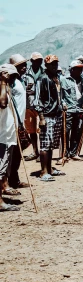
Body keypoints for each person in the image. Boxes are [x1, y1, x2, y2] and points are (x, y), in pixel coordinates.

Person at [32, 55, 65, 182]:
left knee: (51, 144)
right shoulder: (42, 79)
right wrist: (41, 117)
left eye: (56, 63)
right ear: (46, 65)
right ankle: (43, 171)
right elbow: (37, 100)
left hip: (56, 114)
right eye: (52, 64)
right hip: (46, 115)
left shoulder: (56, 78)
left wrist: (62, 105)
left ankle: (49, 169)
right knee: (45, 145)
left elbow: (58, 96)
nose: (54, 66)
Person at [60, 60, 83, 162]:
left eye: (82, 69)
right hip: (68, 110)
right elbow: (59, 94)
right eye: (78, 69)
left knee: (77, 131)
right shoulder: (64, 80)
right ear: (72, 69)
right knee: (65, 132)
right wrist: (63, 103)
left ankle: (74, 153)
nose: (81, 71)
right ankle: (65, 154)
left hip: (79, 110)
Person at [5, 56, 28, 193]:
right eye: (21, 65)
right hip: (12, 121)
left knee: (18, 152)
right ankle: (6, 183)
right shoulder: (11, 81)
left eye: (25, 64)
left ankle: (14, 178)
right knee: (10, 152)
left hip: (20, 120)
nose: (24, 67)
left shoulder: (21, 80)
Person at [0, 64, 21, 210]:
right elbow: (2, 103)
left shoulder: (6, 88)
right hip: (2, 136)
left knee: (3, 169)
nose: (12, 80)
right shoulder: (1, 87)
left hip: (7, 135)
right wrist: (2, 82)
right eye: (11, 76)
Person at [22, 52, 44, 161]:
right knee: (31, 131)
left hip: (41, 105)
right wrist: (25, 90)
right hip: (29, 105)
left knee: (41, 129)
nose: (38, 62)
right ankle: (35, 151)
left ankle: (42, 152)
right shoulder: (25, 73)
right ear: (31, 61)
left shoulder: (44, 73)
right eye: (36, 60)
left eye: (40, 60)